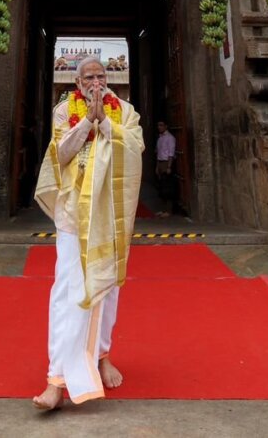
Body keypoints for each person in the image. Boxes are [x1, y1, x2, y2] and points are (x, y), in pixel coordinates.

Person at [33, 57, 143, 410]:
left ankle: (102, 354)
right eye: (89, 77)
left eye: (101, 76)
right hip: (72, 215)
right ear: (77, 82)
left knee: (107, 288)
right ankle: (57, 378)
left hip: (110, 213)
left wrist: (107, 125)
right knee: (67, 293)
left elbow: (136, 148)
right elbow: (60, 154)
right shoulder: (64, 111)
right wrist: (87, 124)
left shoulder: (124, 111)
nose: (96, 82)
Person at [155, 120, 176, 216]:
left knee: (167, 187)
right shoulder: (160, 138)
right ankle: (163, 209)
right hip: (160, 162)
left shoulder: (170, 138)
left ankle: (168, 210)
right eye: (158, 125)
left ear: (166, 126)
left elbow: (171, 153)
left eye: (161, 125)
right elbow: (158, 153)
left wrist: (169, 166)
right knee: (161, 186)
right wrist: (157, 166)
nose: (159, 127)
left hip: (166, 163)